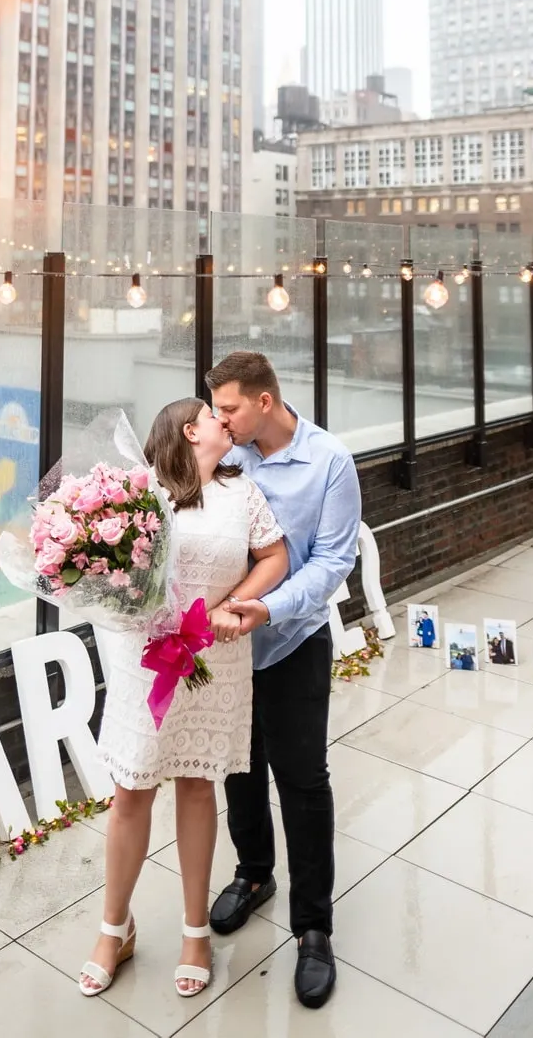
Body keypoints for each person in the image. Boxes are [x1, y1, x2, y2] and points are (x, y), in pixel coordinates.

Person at [79, 397, 289, 1000]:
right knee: (131, 790)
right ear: (190, 430)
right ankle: (113, 929)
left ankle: (195, 930)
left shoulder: (241, 492)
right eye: (214, 414)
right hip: (145, 665)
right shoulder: (139, 496)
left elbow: (274, 556)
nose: (228, 419)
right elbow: (104, 573)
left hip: (214, 658)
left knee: (198, 786)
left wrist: (234, 604)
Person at [205, 351, 362, 1010]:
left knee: (301, 780)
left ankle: (314, 925)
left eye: (230, 408)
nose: (219, 421)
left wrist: (267, 607)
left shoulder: (331, 462)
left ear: (264, 401)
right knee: (238, 767)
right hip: (227, 643)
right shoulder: (227, 453)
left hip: (293, 639)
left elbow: (332, 564)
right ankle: (254, 874)